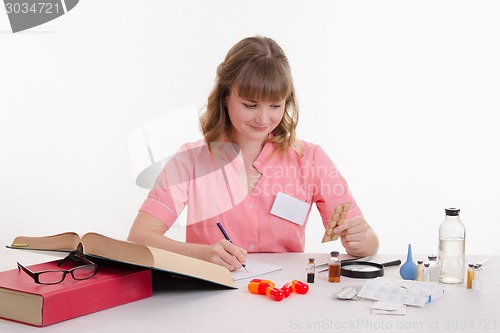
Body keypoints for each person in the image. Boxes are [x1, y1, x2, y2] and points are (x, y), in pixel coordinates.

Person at [128, 36, 379, 271]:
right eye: (250, 105)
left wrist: (361, 240)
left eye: (275, 106)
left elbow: (369, 240)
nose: (263, 118)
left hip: (285, 296)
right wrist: (201, 254)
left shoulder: (311, 159)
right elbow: (139, 239)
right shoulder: (191, 160)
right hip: (211, 299)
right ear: (225, 97)